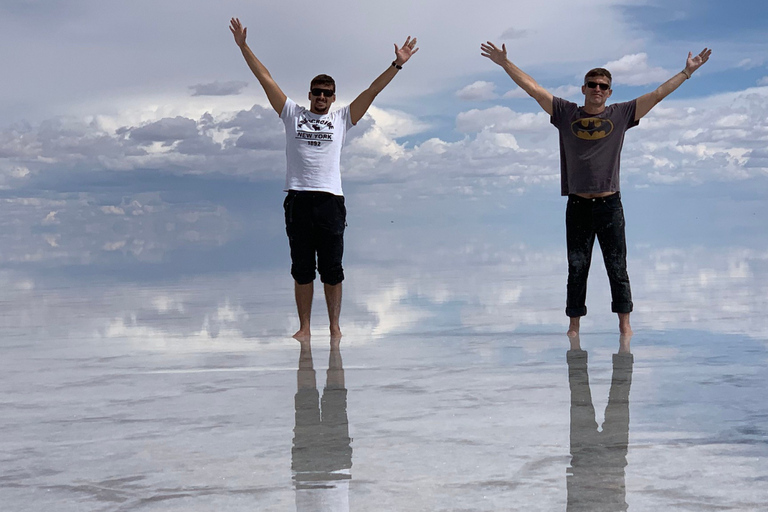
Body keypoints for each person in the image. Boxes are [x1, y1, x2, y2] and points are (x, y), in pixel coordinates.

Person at [481, 41, 711, 336]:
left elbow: (657, 94)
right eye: (592, 84)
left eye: (603, 85)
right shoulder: (566, 113)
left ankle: (625, 328)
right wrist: (504, 63)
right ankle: (574, 328)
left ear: (610, 91)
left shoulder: (621, 114)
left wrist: (686, 72)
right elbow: (534, 89)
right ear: (584, 88)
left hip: (609, 204)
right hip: (577, 205)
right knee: (577, 268)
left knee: (618, 267)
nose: (597, 89)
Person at [230, 18, 419, 340]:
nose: (321, 97)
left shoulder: (343, 119)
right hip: (299, 200)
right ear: (309, 94)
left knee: (332, 270)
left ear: (333, 97)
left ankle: (334, 326)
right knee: (302, 269)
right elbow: (265, 79)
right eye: (316, 92)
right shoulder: (292, 114)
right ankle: (304, 327)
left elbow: (372, 91)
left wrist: (397, 65)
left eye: (327, 93)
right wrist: (244, 47)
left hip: (331, 200)